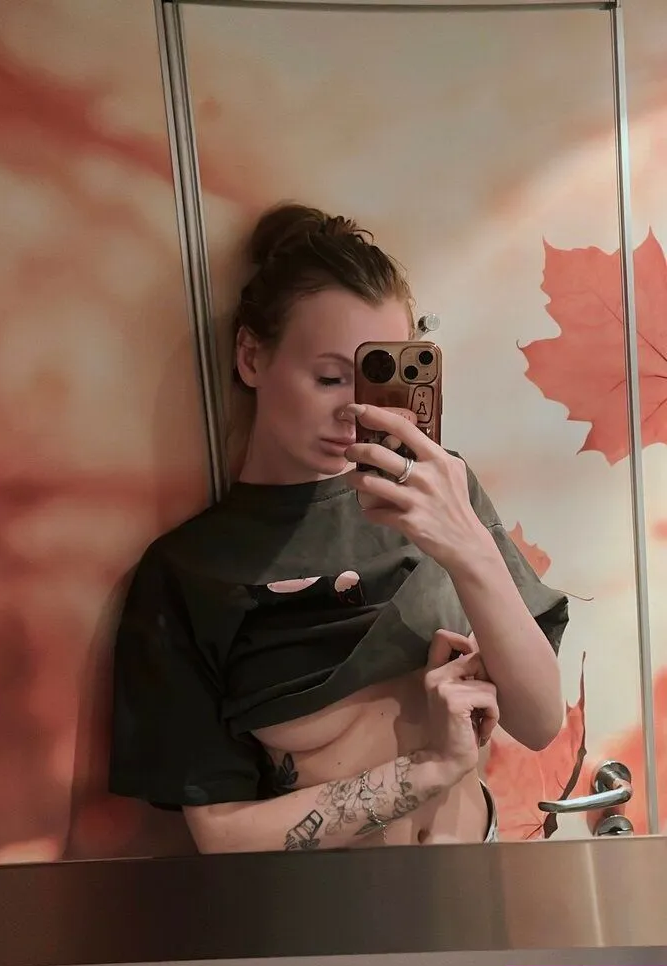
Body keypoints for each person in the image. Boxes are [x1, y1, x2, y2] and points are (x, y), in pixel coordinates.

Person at [108, 203, 569, 852]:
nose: (355, 411)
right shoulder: (189, 573)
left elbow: (540, 722)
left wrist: (468, 549)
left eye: (379, 376)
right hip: (327, 908)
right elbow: (222, 835)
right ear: (251, 356)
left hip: (477, 872)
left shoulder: (442, 491)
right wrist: (430, 768)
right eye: (329, 378)